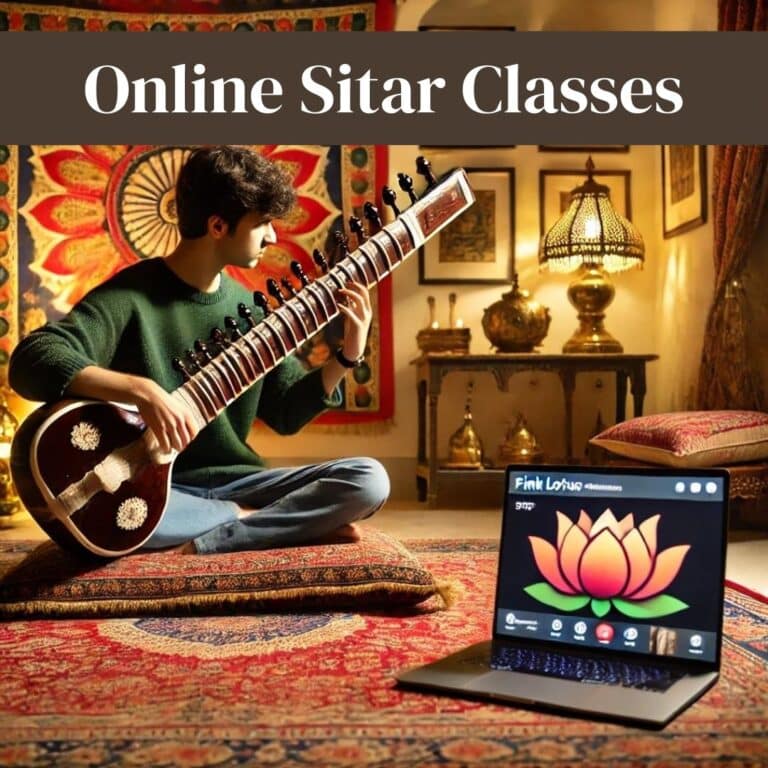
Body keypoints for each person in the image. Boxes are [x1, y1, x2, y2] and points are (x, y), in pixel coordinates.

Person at [9, 145, 390, 555]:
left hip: (239, 480)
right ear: (218, 226)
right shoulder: (131, 296)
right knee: (97, 517)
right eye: (262, 223)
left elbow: (285, 410)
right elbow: (34, 360)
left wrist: (348, 355)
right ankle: (264, 524)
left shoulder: (249, 313)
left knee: (369, 480)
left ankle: (229, 524)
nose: (273, 236)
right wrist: (142, 392)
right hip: (158, 487)